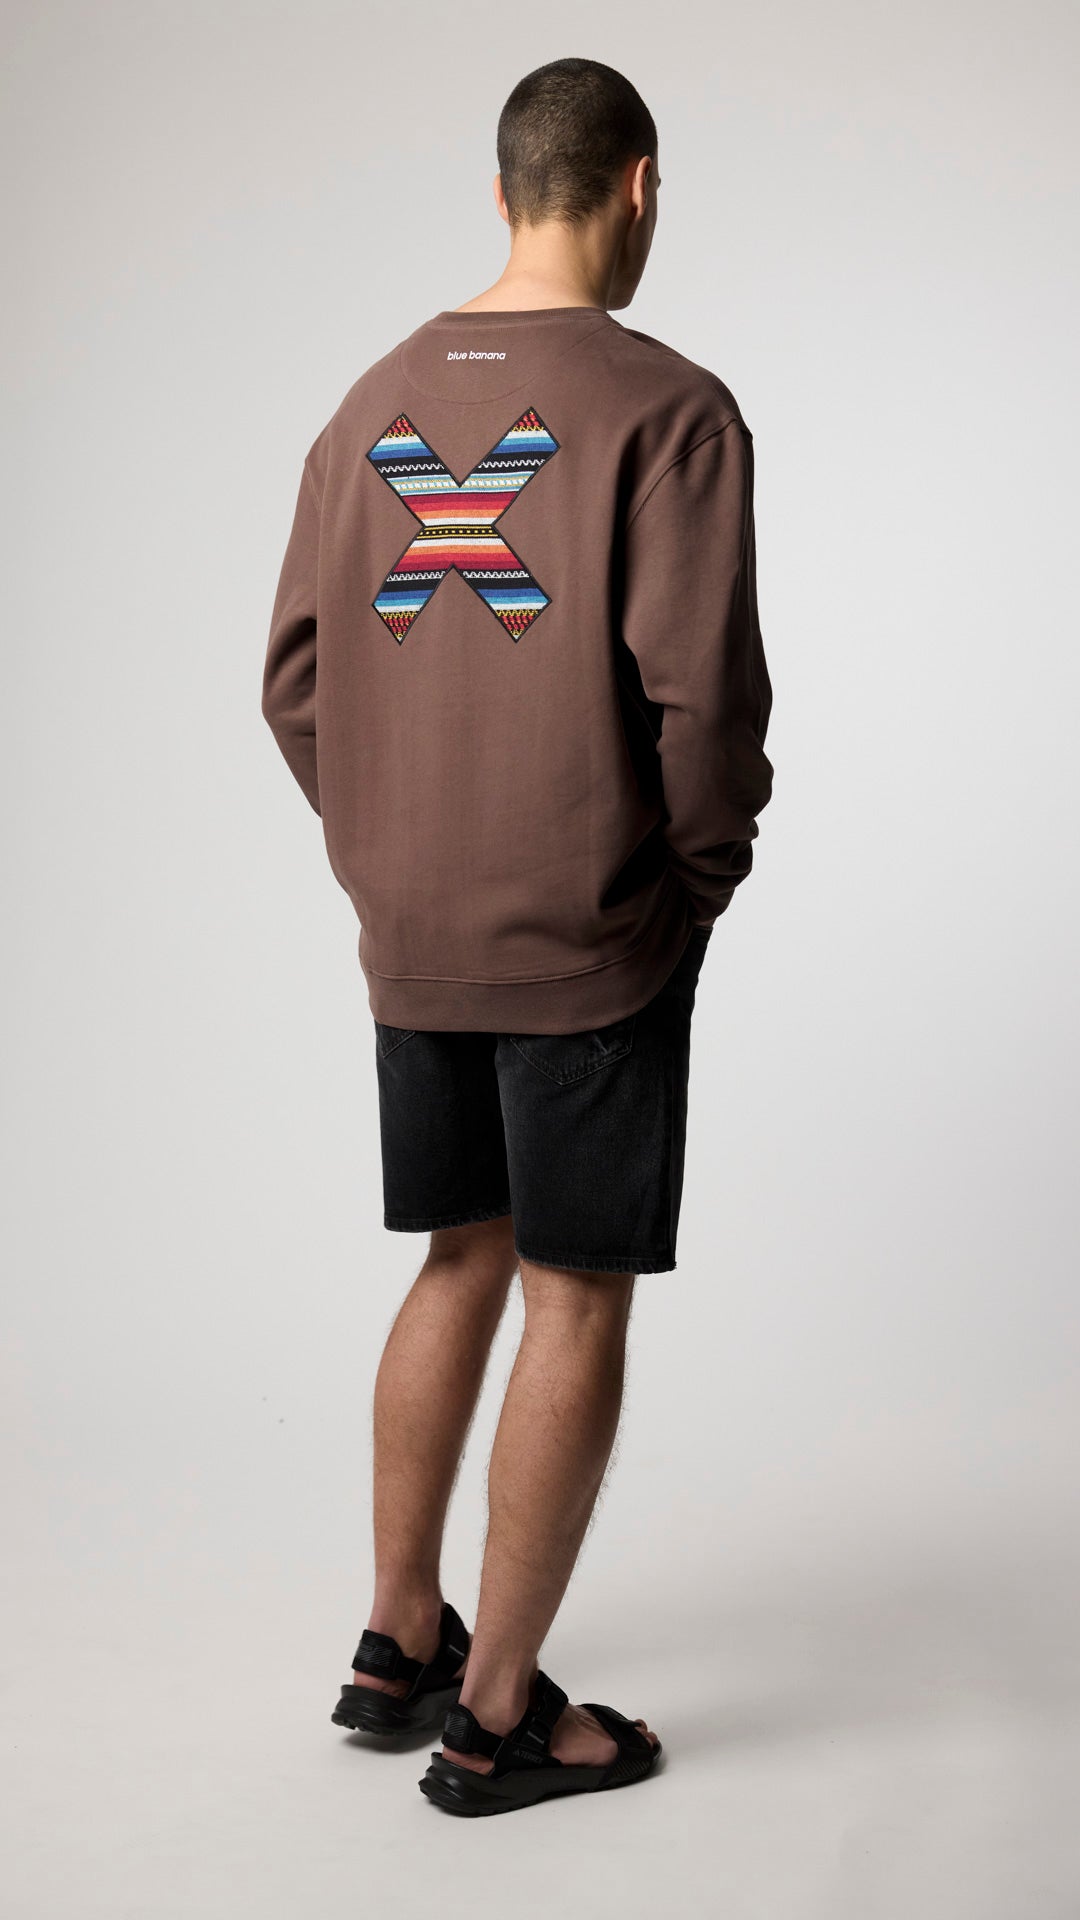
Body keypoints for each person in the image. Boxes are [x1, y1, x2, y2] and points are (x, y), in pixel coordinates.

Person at [261, 55, 774, 1817]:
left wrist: (391, 856)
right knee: (573, 1290)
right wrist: (695, 877)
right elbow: (703, 700)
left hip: (414, 929)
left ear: (501, 194)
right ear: (637, 185)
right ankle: (496, 1720)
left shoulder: (369, 402)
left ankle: (396, 1635)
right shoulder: (671, 410)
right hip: (591, 934)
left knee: (457, 1254)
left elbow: (295, 681)